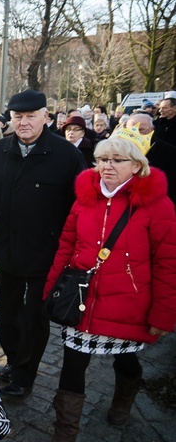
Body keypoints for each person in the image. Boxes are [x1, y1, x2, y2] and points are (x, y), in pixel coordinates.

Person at [44, 130, 176, 441]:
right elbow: (66, 245)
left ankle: (124, 399)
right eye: (102, 159)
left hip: (128, 304)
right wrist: (51, 289)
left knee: (126, 359)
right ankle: (64, 433)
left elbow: (168, 264)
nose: (108, 165)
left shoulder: (159, 205)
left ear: (137, 165)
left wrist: (164, 315)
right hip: (82, 300)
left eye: (117, 159)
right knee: (73, 363)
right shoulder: (85, 199)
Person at [0, 89, 86, 400]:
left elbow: (80, 208)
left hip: (47, 254)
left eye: (30, 116)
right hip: (7, 251)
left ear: (45, 117)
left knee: (35, 317)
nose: (23, 123)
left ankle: (26, 373)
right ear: (10, 119)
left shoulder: (67, 155)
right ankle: (13, 360)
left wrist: (75, 252)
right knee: (8, 313)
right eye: (17, 117)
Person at [125, 113, 176, 207]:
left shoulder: (169, 151)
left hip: (157, 204)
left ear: (152, 130)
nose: (136, 134)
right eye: (131, 130)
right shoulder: (119, 149)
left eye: (141, 130)